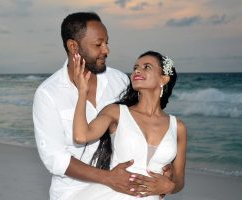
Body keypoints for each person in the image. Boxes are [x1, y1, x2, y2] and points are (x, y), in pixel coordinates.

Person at [33, 12, 173, 200]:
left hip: (122, 190)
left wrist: (163, 168)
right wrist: (108, 178)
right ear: (73, 46)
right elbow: (55, 158)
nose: (106, 50)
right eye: (98, 44)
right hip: (71, 193)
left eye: (107, 42)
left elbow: (143, 128)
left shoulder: (120, 81)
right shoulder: (48, 93)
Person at [70, 50, 187, 199]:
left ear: (163, 79)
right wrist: (82, 92)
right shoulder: (116, 112)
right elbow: (81, 136)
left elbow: (179, 180)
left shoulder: (178, 127)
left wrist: (169, 186)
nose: (137, 70)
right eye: (135, 67)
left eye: (147, 67)